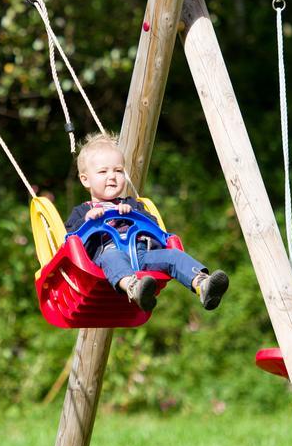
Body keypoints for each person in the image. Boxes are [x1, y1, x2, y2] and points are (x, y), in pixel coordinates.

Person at [64, 133, 229, 312]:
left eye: (118, 171)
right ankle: (133, 288)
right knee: (113, 257)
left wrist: (134, 213)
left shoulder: (131, 204)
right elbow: (69, 239)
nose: (112, 176)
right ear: (85, 179)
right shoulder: (82, 211)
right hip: (106, 260)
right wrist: (87, 220)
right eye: (103, 172)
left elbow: (154, 227)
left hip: (141, 255)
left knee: (173, 255)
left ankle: (203, 285)